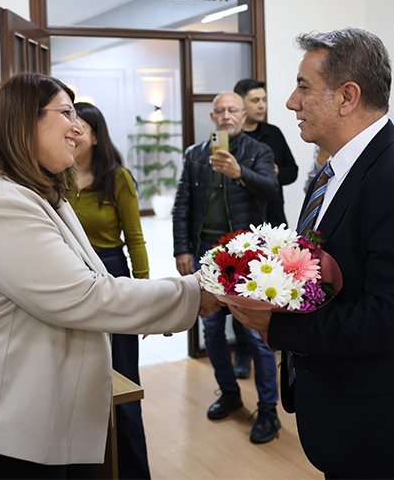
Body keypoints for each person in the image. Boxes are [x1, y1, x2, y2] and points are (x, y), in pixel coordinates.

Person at [0, 73, 222, 479]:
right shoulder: (1, 204)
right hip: (4, 429)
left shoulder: (39, 194)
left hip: (35, 419)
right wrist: (194, 293)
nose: (77, 128)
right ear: (25, 120)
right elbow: (85, 296)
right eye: (67, 113)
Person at [228, 28, 394, 479]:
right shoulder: (334, 169)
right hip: (349, 411)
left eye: (303, 87)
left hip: (389, 425)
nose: (291, 103)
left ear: (347, 97)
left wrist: (279, 326)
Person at [171, 91, 282, 444]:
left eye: (232, 110)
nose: (226, 116)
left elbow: (271, 190)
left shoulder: (258, 151)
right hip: (206, 252)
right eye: (219, 111)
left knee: (256, 333)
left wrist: (240, 172)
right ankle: (230, 393)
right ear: (212, 117)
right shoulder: (195, 154)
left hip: (245, 253)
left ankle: (268, 409)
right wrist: (181, 249)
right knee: (212, 329)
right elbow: (182, 204)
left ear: (243, 115)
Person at [66, 101, 152, 479]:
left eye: (79, 125)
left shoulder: (117, 178)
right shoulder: (56, 177)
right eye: (67, 122)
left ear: (97, 136)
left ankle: (134, 472)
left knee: (123, 381)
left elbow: (135, 240)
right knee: (79, 382)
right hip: (70, 277)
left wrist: (147, 299)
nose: (71, 131)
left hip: (112, 273)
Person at [229, 78, 300, 380]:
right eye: (255, 100)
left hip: (273, 220)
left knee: (271, 291)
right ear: (242, 105)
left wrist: (273, 172)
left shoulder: (274, 134)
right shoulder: (231, 139)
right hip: (242, 225)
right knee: (239, 292)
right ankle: (243, 353)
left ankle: (275, 348)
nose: (261, 106)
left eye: (264, 100)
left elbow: (292, 172)